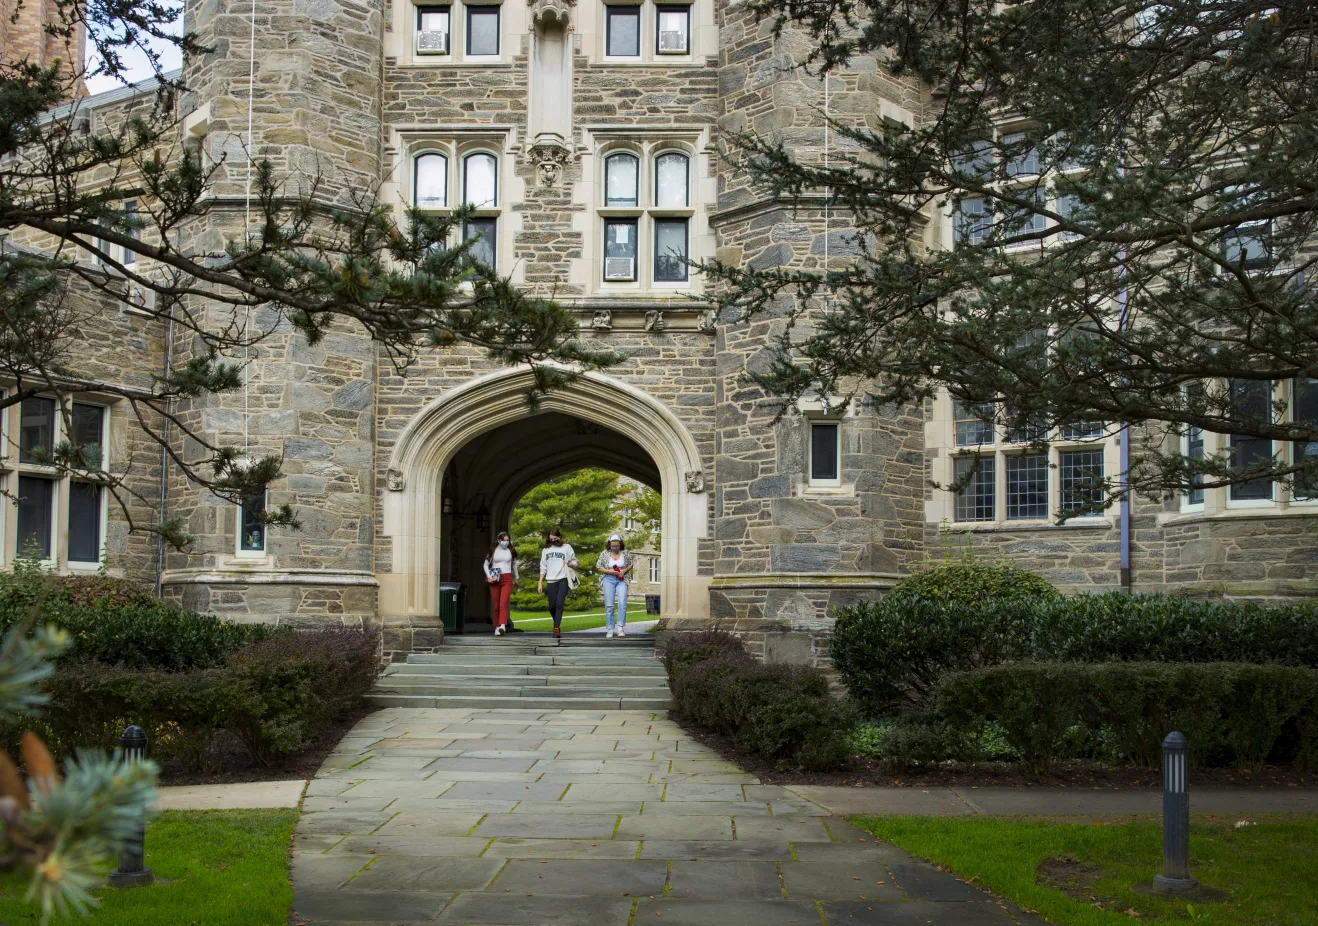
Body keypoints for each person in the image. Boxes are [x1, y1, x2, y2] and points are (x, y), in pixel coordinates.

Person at [537, 527, 578, 639]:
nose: (553, 540)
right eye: (551, 539)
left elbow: (575, 562)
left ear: (559, 537)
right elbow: (543, 567)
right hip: (551, 580)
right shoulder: (546, 550)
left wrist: (570, 563)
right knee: (552, 606)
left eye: (555, 538)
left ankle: (556, 628)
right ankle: (556, 622)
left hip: (563, 579)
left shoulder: (567, 548)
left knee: (559, 603)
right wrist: (540, 582)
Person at [595, 534, 634, 639]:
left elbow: (631, 564)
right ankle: (610, 629)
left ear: (620, 544)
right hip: (608, 579)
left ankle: (620, 627)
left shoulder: (625, 553)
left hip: (622, 580)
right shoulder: (604, 554)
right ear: (609, 544)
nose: (615, 547)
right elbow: (598, 567)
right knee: (609, 605)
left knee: (622, 602)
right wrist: (610, 571)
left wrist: (624, 570)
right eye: (613, 546)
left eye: (617, 545)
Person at [482, 531, 518, 636]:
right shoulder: (493, 550)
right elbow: (485, 565)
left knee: (503, 603)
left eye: (507, 540)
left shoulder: (511, 550)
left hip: (507, 578)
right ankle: (497, 626)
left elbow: (514, 564)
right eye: (504, 540)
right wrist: (489, 576)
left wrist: (517, 577)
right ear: (498, 541)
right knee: (496, 605)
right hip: (495, 577)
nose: (506, 542)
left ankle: (502, 625)